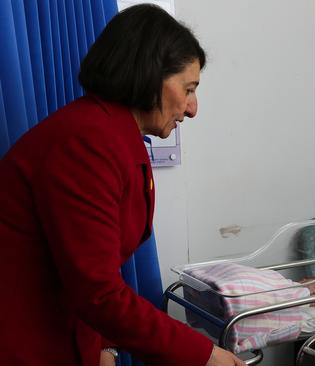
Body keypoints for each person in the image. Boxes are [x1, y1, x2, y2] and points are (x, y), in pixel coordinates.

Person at [0, 4, 245, 366]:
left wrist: (103, 346)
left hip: (66, 331)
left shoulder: (117, 139)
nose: (193, 108)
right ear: (149, 76)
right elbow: (96, 290)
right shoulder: (86, 143)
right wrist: (203, 354)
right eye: (188, 88)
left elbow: (85, 266)